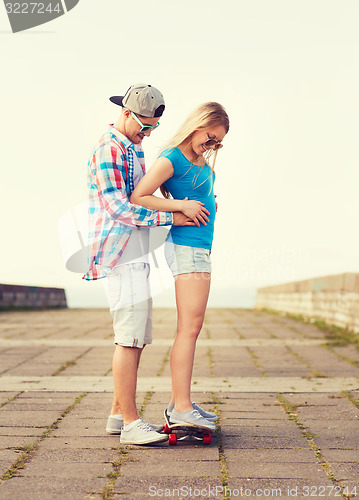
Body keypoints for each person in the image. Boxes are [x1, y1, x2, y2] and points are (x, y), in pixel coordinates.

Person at [82, 84, 209, 445]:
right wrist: (174, 217)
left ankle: (118, 414)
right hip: (120, 254)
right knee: (130, 338)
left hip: (133, 254)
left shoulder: (131, 147)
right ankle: (132, 425)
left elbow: (146, 197)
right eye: (143, 125)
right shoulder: (109, 148)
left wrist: (181, 202)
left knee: (135, 335)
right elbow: (118, 208)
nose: (147, 133)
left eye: (153, 128)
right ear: (125, 112)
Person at [130, 101, 230, 431]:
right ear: (198, 125)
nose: (213, 145)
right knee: (188, 327)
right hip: (186, 247)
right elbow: (140, 196)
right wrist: (180, 205)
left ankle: (180, 403)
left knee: (193, 326)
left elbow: (200, 193)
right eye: (211, 137)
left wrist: (211, 202)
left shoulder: (201, 161)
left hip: (200, 248)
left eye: (218, 142)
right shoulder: (172, 157)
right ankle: (181, 408)